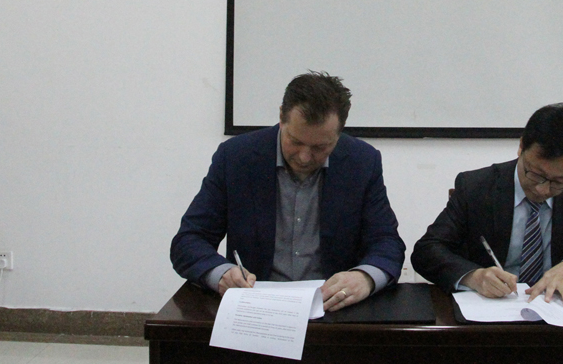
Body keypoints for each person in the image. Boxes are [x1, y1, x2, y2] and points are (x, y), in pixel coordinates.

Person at [171, 72, 405, 312]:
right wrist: (222, 274)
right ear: (281, 117)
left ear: (339, 133)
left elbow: (386, 241)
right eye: (295, 141)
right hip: (255, 307)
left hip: (333, 308)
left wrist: (365, 278)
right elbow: (189, 240)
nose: (304, 157)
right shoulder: (236, 158)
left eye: (320, 147)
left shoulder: (362, 162)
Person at [412, 103, 563, 307]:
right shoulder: (477, 187)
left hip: (559, 312)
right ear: (520, 147)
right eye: (536, 174)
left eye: (559, 182)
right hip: (493, 311)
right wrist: (474, 277)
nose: (543, 190)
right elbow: (426, 251)